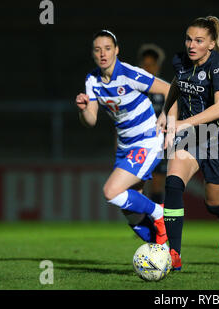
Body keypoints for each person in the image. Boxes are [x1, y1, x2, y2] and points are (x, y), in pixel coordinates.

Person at [156, 16, 219, 271]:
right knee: (173, 184)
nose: (191, 45)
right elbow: (177, 86)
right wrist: (167, 114)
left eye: (198, 40)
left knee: (214, 203)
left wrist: (184, 123)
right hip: (191, 137)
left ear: (211, 44)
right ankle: (173, 255)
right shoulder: (180, 60)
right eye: (188, 39)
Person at [75, 30, 171, 246]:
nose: (103, 54)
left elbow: (169, 89)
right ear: (93, 53)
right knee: (131, 214)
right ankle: (166, 254)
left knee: (111, 191)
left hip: (147, 141)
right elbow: (91, 120)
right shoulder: (92, 80)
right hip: (125, 146)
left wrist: (166, 117)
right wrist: (82, 110)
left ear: (116, 50)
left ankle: (158, 211)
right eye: (98, 49)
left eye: (107, 48)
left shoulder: (129, 74)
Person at [138, 43, 168, 204]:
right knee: (137, 186)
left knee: (157, 186)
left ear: (157, 67)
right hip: (137, 144)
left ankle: (158, 226)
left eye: (151, 65)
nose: (148, 69)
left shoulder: (165, 91)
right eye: (145, 65)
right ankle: (143, 224)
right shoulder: (134, 90)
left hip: (159, 145)